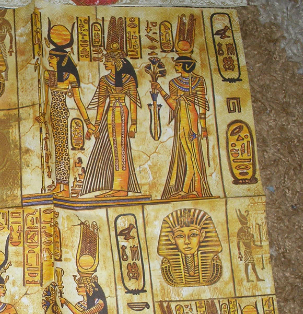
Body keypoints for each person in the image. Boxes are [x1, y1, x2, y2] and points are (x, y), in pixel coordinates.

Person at [81, 21, 142, 198]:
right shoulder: (104, 80)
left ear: (115, 62)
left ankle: (121, 188)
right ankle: (116, 187)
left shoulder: (128, 79)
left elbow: (133, 102)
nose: (105, 63)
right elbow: (101, 105)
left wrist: (133, 124)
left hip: (121, 112)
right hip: (111, 114)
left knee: (120, 149)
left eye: (107, 61)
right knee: (112, 149)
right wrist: (96, 125)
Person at [36, 22, 92, 197]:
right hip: (53, 113)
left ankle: (65, 186)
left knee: (62, 150)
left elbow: (78, 100)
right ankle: (59, 184)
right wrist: (43, 115)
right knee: (54, 149)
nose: (49, 61)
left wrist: (88, 122)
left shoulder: (69, 77)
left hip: (61, 113)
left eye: (52, 59)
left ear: (60, 60)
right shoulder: (48, 75)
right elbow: (46, 99)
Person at [151, 56, 213, 200]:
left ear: (186, 66)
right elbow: (173, 105)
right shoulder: (174, 82)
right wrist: (160, 89)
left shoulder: (198, 81)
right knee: (187, 155)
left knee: (194, 154)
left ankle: (197, 189)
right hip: (181, 119)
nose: (176, 67)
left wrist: (203, 127)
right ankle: (186, 189)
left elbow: (202, 105)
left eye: (178, 65)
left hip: (192, 118)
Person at [157, 208, 222, 287]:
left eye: (193, 235)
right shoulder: (168, 267)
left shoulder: (214, 264)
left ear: (202, 236)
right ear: (172, 238)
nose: (187, 241)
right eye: (180, 236)